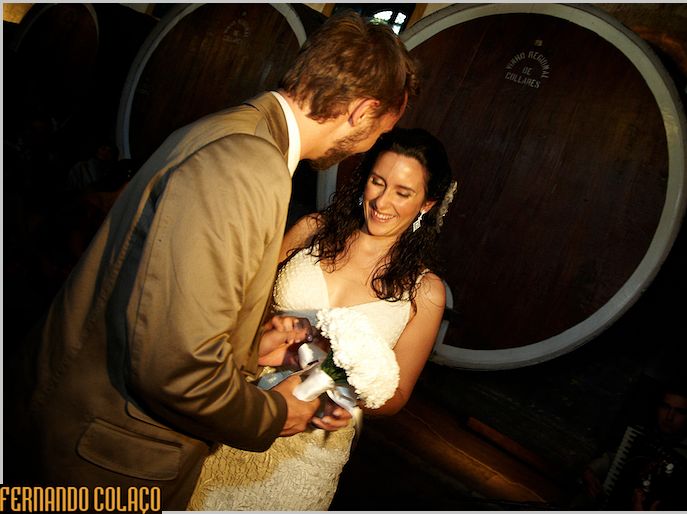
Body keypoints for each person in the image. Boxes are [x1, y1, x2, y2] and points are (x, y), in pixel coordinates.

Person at [5, 11, 419, 511]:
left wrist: (251, 348)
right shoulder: (248, 165)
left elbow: (160, 299)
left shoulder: (234, 127)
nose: (369, 146)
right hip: (101, 460)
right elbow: (173, 367)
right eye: (379, 130)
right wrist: (273, 414)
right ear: (362, 110)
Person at [187, 127, 456, 510]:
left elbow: (394, 398)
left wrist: (350, 385)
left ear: (426, 204)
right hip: (241, 401)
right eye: (377, 182)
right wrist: (262, 338)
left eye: (403, 192)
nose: (381, 201)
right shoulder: (312, 232)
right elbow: (240, 303)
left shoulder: (425, 292)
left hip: (307, 453)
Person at [577, 381, 687, 510]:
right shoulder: (642, 436)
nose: (669, 416)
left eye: (679, 412)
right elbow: (616, 458)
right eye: (665, 407)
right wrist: (591, 471)